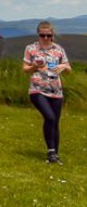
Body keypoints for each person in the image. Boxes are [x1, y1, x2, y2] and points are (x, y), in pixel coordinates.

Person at [23, 21, 70, 164]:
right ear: (38, 34)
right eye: (42, 35)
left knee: (55, 122)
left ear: (52, 35)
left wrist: (63, 66)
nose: (45, 38)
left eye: (48, 35)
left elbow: (68, 69)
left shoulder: (58, 49)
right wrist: (33, 67)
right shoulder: (31, 48)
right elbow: (25, 68)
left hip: (56, 91)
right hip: (37, 89)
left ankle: (55, 153)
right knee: (49, 118)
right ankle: (51, 151)